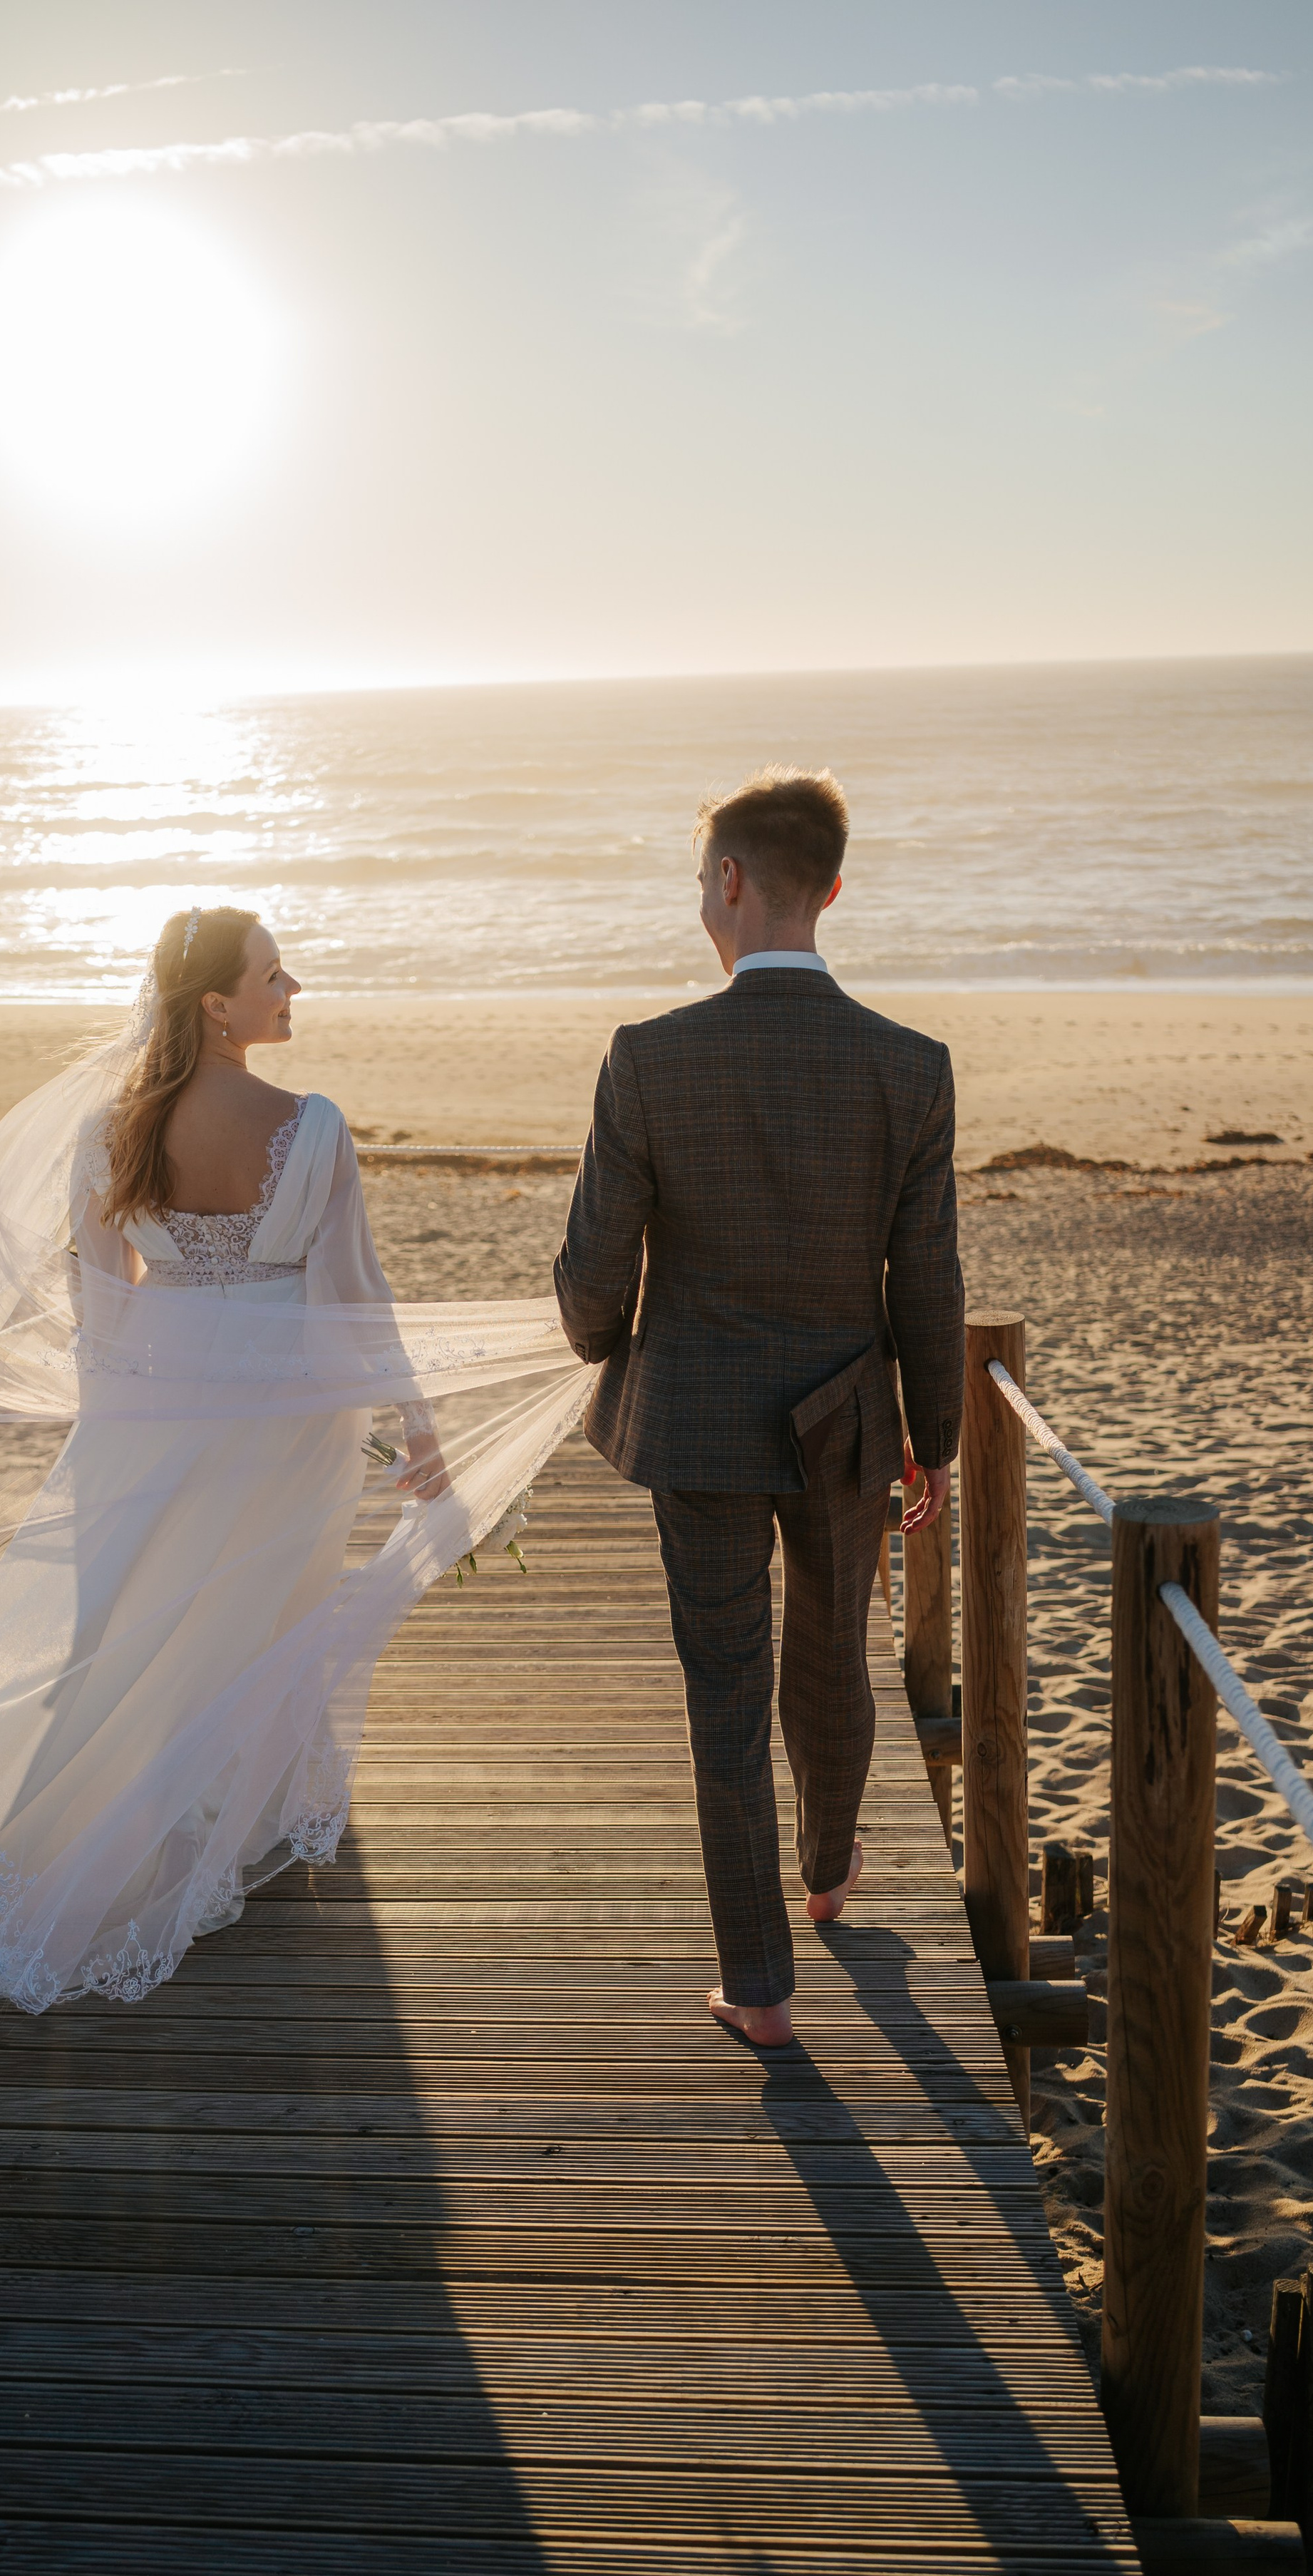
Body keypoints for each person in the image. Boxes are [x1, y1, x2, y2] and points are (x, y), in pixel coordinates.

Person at [0, 907, 592, 2104]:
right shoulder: (314, 1128)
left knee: (108, 1643)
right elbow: (354, 1301)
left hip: (151, 1422)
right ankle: (222, 1827)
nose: (296, 986)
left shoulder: (111, 1126)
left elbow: (101, 1309)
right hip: (289, 1430)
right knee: (264, 1616)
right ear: (219, 1005)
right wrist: (422, 1430)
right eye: (272, 974)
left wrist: (131, 1434)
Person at [555, 769, 964, 2048]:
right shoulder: (911, 1068)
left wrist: (609, 1344)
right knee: (833, 1655)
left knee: (723, 1693)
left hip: (696, 1423)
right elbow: (930, 1275)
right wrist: (933, 1438)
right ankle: (832, 1872)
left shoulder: (649, 1061)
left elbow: (592, 1279)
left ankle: (759, 1988)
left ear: (731, 881)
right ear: (830, 889)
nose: (700, 903)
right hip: (849, 1424)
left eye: (699, 881)